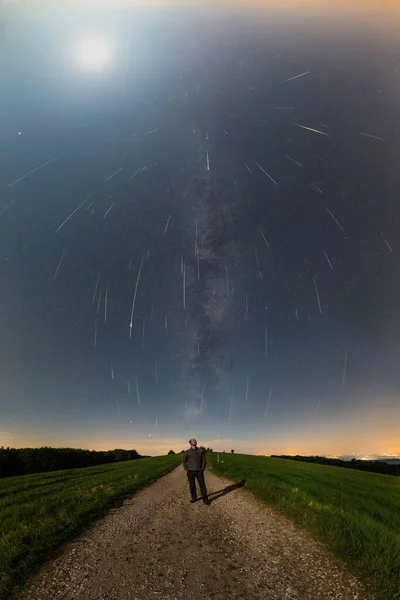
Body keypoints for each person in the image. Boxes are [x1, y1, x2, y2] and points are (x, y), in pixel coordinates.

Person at [182, 438, 210, 505]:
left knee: (202, 485)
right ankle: (194, 498)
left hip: (199, 471)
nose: (194, 441)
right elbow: (184, 461)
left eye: (195, 440)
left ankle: (205, 499)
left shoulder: (200, 451)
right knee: (192, 485)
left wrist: (202, 469)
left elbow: (204, 460)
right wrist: (186, 469)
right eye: (193, 440)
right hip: (190, 472)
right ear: (190, 443)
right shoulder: (187, 452)